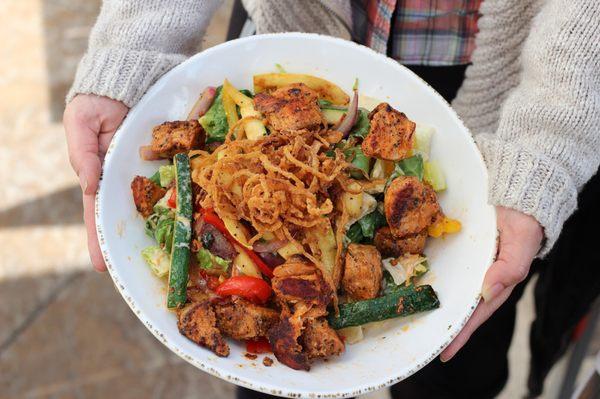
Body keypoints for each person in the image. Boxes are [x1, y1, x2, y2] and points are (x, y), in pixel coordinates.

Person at [63, 1, 600, 397]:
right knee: (273, 379)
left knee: (458, 372)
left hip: (494, 78)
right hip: (284, 31)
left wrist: (546, 148)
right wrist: (130, 48)